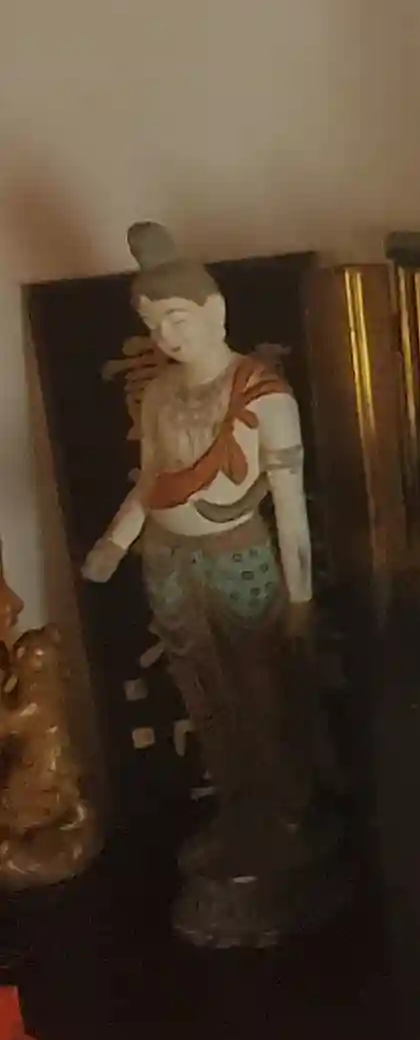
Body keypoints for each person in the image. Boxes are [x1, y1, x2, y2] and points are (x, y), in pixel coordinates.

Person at [81, 224, 341, 947]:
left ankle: (287, 809)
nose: (166, 336)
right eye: (152, 324)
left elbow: (289, 506)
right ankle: (237, 802)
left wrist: (300, 596)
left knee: (262, 681)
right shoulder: (159, 394)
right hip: (167, 558)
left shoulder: (262, 393)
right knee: (200, 685)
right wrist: (115, 541)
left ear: (215, 310)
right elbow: (150, 482)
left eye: (177, 318)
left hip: (239, 553)